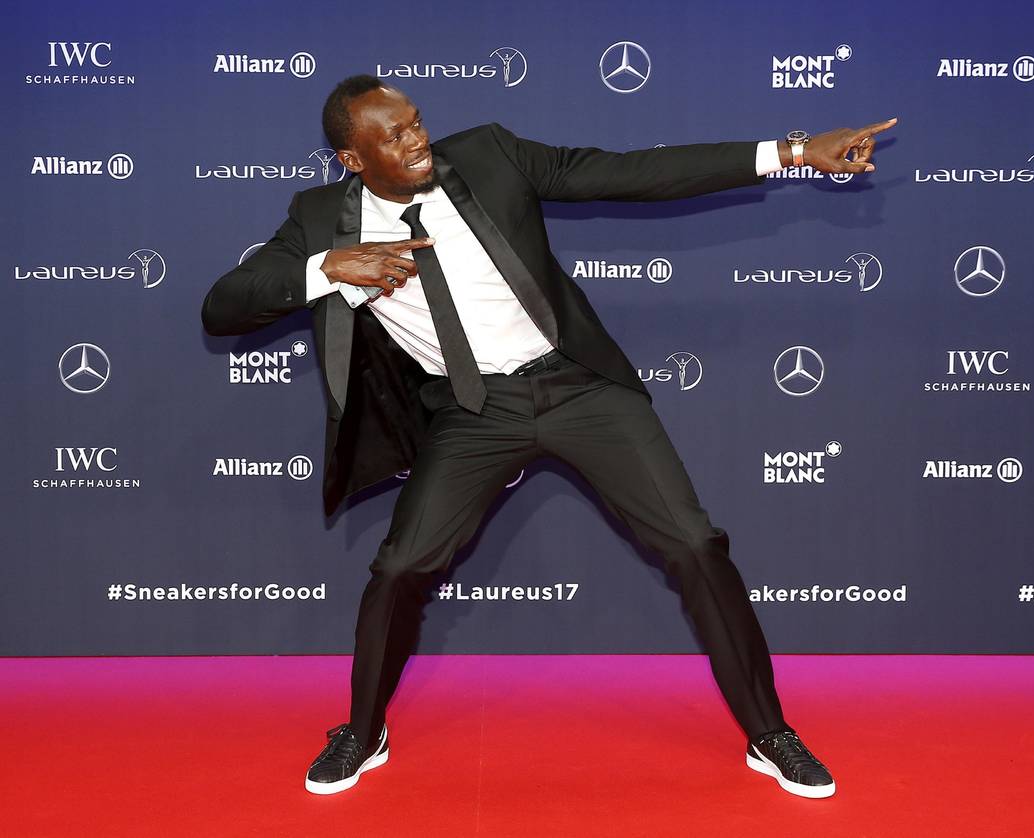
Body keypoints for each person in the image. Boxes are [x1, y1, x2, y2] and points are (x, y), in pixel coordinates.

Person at [201, 74, 895, 799]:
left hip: (577, 386)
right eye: (394, 135)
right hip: (474, 409)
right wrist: (325, 268)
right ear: (352, 159)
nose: (418, 141)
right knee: (400, 567)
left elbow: (633, 173)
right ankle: (362, 730)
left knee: (694, 544)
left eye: (417, 122)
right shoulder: (318, 219)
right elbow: (223, 307)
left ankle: (769, 733)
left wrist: (792, 152)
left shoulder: (489, 155)